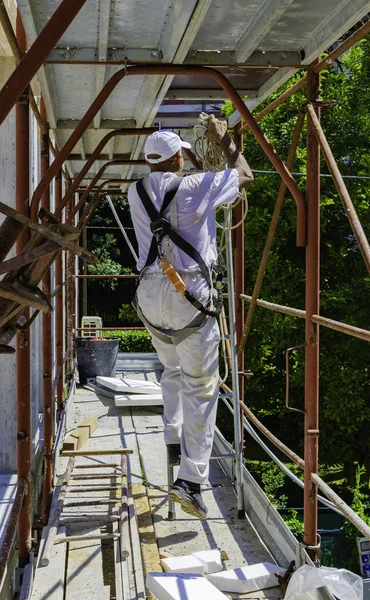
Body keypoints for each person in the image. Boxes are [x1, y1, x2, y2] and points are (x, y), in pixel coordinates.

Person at [128, 115, 253, 519]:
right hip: (188, 292)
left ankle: (172, 440)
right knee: (201, 386)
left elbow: (177, 188)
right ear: (180, 158)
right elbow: (244, 175)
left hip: (150, 294)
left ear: (150, 161)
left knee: (172, 372)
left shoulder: (135, 190)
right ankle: (191, 480)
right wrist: (222, 140)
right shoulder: (196, 186)